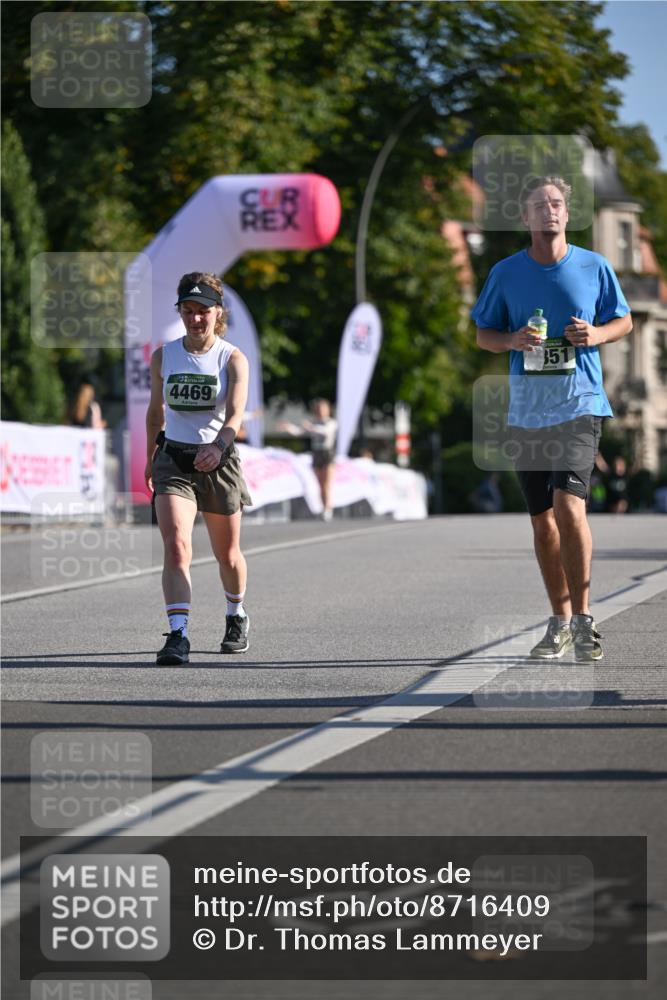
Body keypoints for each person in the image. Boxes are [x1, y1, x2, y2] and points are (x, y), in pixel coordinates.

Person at [472, 176, 632, 661]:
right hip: (528, 412)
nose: (550, 211)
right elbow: (484, 334)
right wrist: (513, 340)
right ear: (525, 218)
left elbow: (623, 320)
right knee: (543, 523)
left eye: (557, 203)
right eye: (540, 205)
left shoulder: (593, 266)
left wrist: (597, 335)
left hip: (580, 403)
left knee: (569, 507)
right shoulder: (506, 273)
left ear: (567, 213)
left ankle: (584, 619)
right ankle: (559, 619)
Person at [145, 272, 253, 665]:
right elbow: (155, 413)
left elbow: (236, 414)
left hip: (218, 462)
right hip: (173, 459)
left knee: (227, 555)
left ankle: (235, 613)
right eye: (188, 311)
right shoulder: (165, 355)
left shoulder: (231, 357)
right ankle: (178, 635)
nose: (195, 319)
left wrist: (219, 446)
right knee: (176, 546)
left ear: (218, 312)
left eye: (203, 311)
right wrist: (148, 458)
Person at [280, 398, 338, 520]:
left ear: (327, 410)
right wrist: (288, 427)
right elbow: (299, 432)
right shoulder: (314, 423)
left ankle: (328, 509)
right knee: (319, 484)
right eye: (318, 409)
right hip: (317, 454)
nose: (320, 411)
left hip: (327, 454)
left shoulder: (331, 422)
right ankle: (323, 507)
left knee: (326, 484)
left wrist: (311, 427)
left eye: (322, 409)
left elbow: (325, 432)